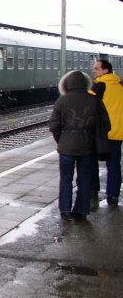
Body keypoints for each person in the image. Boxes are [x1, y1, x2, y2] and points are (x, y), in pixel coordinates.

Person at [49, 70, 111, 221]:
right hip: (88, 147)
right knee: (84, 179)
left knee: (65, 178)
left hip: (66, 148)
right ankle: (82, 211)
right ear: (86, 83)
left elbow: (54, 126)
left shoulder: (62, 101)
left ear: (66, 84)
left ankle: (65, 210)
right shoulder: (95, 100)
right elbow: (106, 124)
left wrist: (62, 140)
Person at [92, 59, 123, 205]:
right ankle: (113, 195)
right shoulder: (120, 85)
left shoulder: (99, 86)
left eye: (96, 69)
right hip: (118, 132)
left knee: (92, 161)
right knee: (114, 164)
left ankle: (93, 191)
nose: (94, 71)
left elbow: (88, 103)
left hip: (102, 131)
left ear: (105, 70)